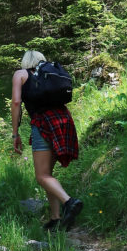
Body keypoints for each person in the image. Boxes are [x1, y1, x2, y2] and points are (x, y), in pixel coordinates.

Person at [11, 50, 82, 231]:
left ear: (25, 62)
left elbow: (16, 102)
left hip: (43, 122)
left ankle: (69, 202)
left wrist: (15, 133)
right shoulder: (50, 72)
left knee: (41, 176)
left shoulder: (21, 74)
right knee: (47, 173)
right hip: (63, 120)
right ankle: (55, 218)